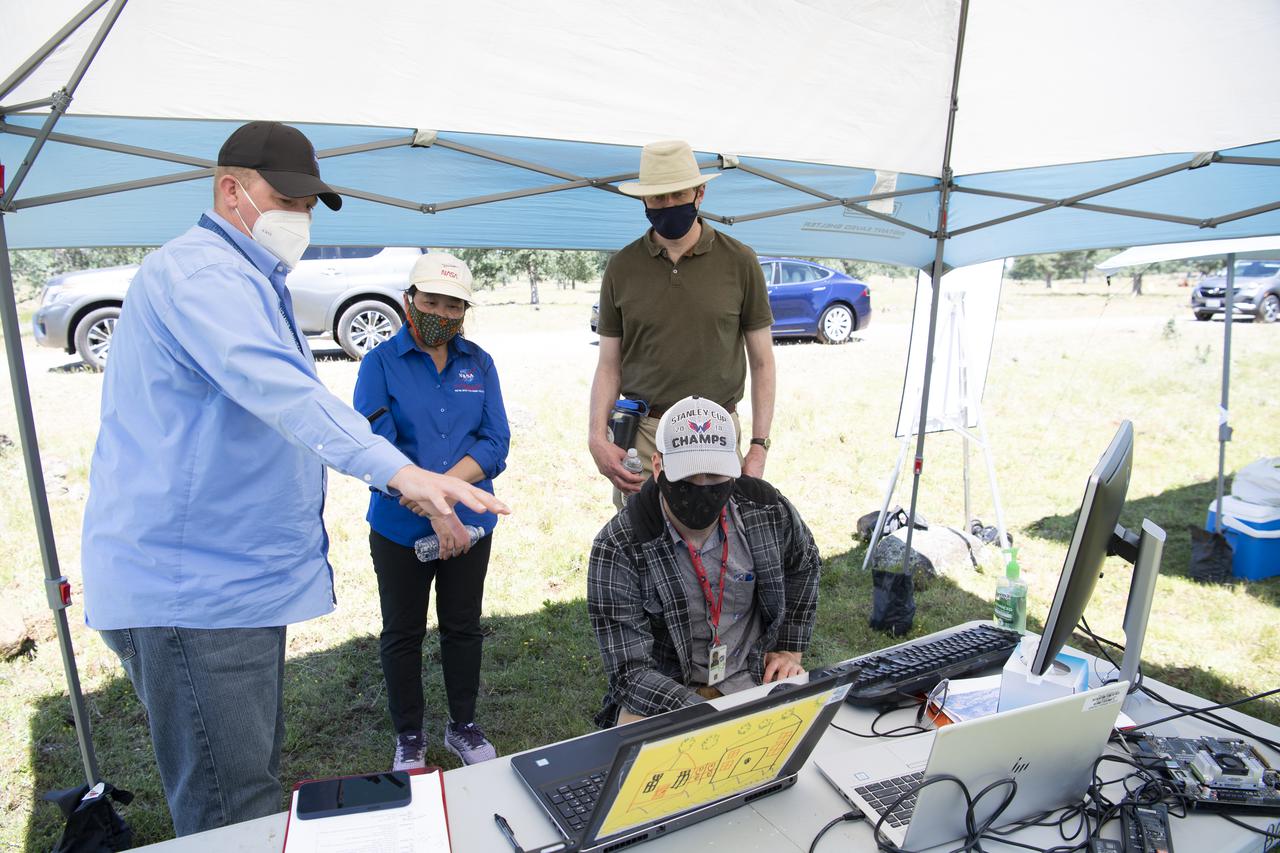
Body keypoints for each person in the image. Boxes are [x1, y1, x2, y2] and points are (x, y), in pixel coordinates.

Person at [79, 121, 506, 836]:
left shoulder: (248, 279)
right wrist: (404, 474)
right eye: (289, 199)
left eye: (310, 206)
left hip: (229, 585)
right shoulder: (202, 275)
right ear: (231, 189)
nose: (301, 218)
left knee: (246, 787)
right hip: (196, 590)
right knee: (232, 814)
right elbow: (283, 391)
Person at [353, 253, 510, 769]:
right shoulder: (379, 363)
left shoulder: (479, 362)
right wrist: (438, 509)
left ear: (464, 312)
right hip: (401, 525)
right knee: (402, 631)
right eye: (430, 301)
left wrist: (443, 491)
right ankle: (410, 736)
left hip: (470, 526)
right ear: (408, 301)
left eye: (453, 305)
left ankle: (463, 726)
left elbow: (495, 442)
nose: (440, 312)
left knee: (463, 625)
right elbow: (378, 446)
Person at [587, 396, 819, 727]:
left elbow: (805, 563)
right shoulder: (619, 546)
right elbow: (630, 673)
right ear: (658, 466)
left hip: (749, 675)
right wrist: (707, 715)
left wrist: (789, 649)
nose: (703, 489)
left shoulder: (767, 510)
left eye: (715, 477)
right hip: (664, 692)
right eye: (689, 479)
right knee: (638, 739)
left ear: (734, 470)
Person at [589, 139, 777, 508]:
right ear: (644, 201)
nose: (668, 205)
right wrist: (597, 436)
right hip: (644, 436)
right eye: (657, 198)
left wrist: (759, 445)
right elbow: (609, 363)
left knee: (720, 543)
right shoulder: (622, 267)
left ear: (700, 193)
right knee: (642, 544)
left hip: (716, 433)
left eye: (677, 194)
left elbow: (762, 361)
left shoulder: (740, 261)